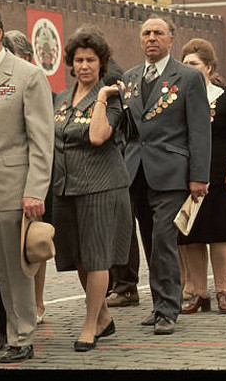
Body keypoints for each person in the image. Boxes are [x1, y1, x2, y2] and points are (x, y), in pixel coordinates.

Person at [0, 1, 54, 363]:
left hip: (9, 191)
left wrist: (35, 190)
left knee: (12, 270)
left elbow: (41, 140)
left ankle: (20, 338)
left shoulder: (27, 76)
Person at [119, 15, 212, 334]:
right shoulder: (130, 78)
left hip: (173, 171)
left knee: (163, 238)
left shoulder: (187, 77)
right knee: (148, 240)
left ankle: (168, 309)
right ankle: (159, 303)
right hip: (137, 171)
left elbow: (200, 130)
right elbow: (128, 129)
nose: (151, 38)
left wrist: (199, 175)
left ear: (171, 40)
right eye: (145, 33)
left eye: (158, 33)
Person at [51, 31, 132, 352]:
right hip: (66, 187)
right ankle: (104, 316)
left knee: (97, 258)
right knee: (79, 260)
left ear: (102, 63)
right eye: (79, 60)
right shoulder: (60, 97)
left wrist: (99, 98)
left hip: (101, 187)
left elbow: (98, 135)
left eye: (91, 60)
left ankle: (90, 325)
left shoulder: (111, 97)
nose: (84, 66)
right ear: (71, 63)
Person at [178, 38, 226, 314]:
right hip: (186, 176)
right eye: (185, 65)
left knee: (219, 235)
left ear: (208, 67)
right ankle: (199, 293)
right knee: (192, 237)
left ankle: (221, 291)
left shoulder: (225, 97)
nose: (190, 69)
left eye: (194, 64)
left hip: (221, 176)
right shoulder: (177, 96)